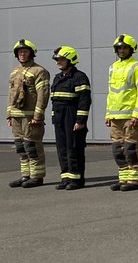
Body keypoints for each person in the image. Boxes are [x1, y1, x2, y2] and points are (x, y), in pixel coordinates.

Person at [106, 34, 138, 191]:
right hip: (115, 117)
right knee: (118, 150)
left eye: (124, 48)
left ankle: (136, 180)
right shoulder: (113, 67)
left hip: (131, 118)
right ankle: (124, 178)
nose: (122, 50)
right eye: (119, 48)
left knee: (132, 149)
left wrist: (137, 114)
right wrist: (108, 114)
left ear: (131, 49)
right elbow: (112, 93)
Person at [7, 39, 50, 188]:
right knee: (21, 147)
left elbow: (42, 95)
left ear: (31, 53)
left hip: (30, 117)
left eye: (25, 51)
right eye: (19, 52)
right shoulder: (15, 72)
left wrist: (38, 116)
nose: (22, 54)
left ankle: (37, 177)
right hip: (17, 116)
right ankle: (26, 176)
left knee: (32, 146)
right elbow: (11, 94)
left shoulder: (39, 71)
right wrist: (9, 114)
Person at [49, 47, 90, 189]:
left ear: (70, 59)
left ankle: (77, 179)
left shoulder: (79, 77)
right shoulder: (57, 78)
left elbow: (84, 100)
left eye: (61, 59)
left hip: (72, 116)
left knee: (74, 147)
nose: (58, 63)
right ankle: (66, 177)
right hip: (59, 118)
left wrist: (80, 121)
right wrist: (54, 117)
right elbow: (54, 100)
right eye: (57, 60)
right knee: (62, 148)